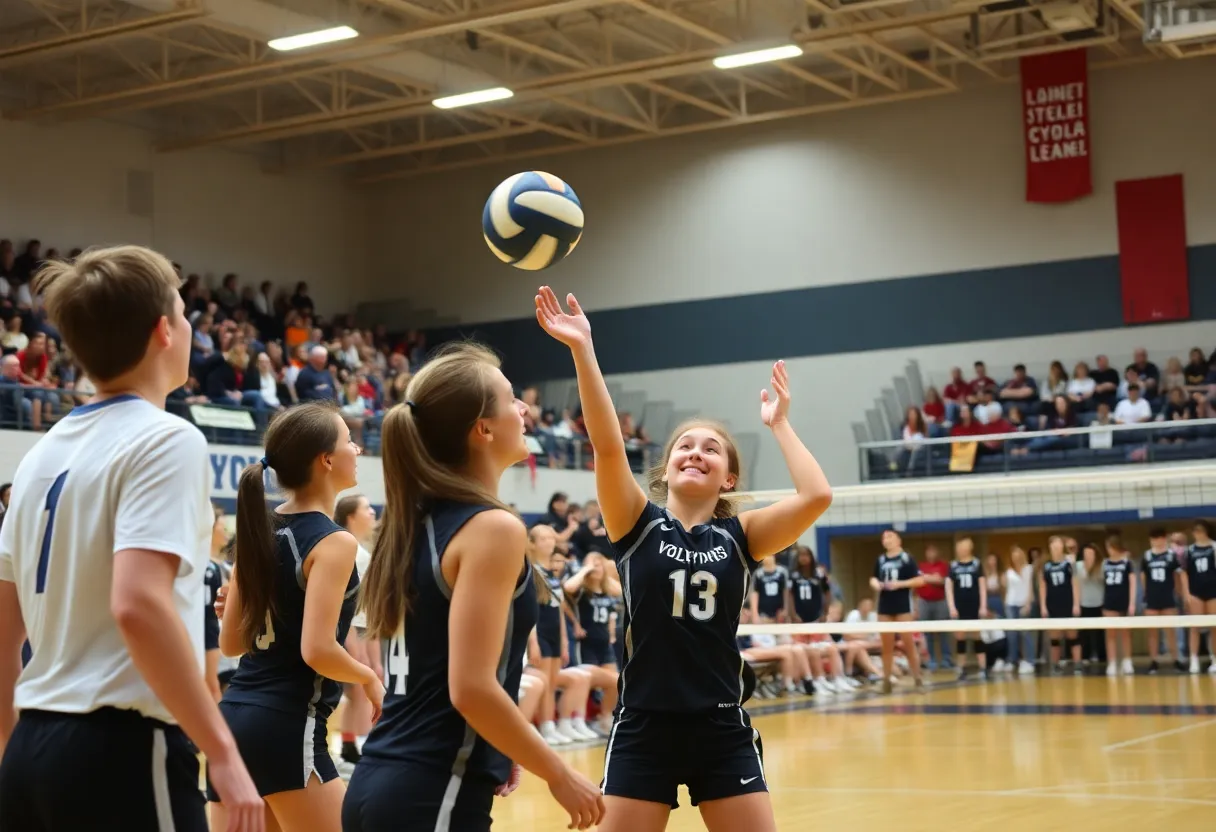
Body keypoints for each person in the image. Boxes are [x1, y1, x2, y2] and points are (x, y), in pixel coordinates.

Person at [535, 287, 832, 832]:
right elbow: (605, 445)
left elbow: (816, 496)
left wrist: (779, 424)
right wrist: (583, 349)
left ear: (729, 478)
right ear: (667, 467)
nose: (696, 452)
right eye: (685, 446)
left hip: (721, 726)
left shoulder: (741, 535)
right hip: (644, 726)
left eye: (711, 449)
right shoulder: (636, 522)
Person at [0, 246, 263, 832]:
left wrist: (16, 758)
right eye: (185, 313)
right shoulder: (166, 439)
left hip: (30, 750)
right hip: (120, 750)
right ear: (163, 331)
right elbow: (138, 604)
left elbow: (1, 639)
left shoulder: (38, 458)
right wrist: (221, 750)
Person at [342, 343, 603, 832]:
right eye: (510, 400)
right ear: (482, 429)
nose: (525, 409)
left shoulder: (417, 522)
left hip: (383, 782)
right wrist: (559, 773)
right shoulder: (492, 529)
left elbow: (443, 674)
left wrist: (496, 743)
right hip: (430, 791)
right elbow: (471, 689)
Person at [208, 403, 378, 832]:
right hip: (286, 724)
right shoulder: (334, 541)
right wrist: (370, 679)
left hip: (234, 718)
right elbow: (317, 649)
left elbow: (231, 644)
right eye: (348, 441)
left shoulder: (257, 528)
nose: (356, 449)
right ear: (326, 460)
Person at [334, 494, 381, 769]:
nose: (373, 512)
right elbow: (344, 602)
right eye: (367, 508)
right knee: (359, 689)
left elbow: (369, 606)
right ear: (351, 516)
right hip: (349, 629)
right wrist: (352, 644)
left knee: (360, 690)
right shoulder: (347, 548)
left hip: (365, 628)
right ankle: (354, 748)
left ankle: (350, 748)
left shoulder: (362, 550)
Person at [563, 551, 623, 734]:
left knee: (617, 683)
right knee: (585, 681)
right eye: (592, 564)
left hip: (605, 646)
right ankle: (577, 721)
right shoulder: (582, 589)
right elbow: (568, 587)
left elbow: (622, 590)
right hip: (586, 644)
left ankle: (604, 718)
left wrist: (603, 569)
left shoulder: (607, 589)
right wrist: (586, 569)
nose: (596, 567)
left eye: (599, 564)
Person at [870, 529, 925, 693]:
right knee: (887, 646)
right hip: (884, 606)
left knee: (909, 644)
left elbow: (920, 580)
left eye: (889, 536)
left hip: (902, 606)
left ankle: (918, 680)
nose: (886, 539)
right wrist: (875, 584)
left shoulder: (906, 558)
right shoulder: (880, 560)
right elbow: (873, 577)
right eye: (884, 537)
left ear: (898, 540)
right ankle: (886, 681)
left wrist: (899, 584)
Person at [1140, 528, 1181, 675]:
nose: (1156, 541)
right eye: (1153, 538)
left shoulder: (1171, 555)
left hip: (1167, 597)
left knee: (1170, 630)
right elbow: (1143, 576)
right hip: (1152, 597)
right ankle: (1154, 661)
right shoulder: (1146, 556)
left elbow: (1177, 576)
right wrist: (1145, 593)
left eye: (1159, 538)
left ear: (1164, 539)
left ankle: (1175, 659)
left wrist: (1177, 592)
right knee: (1152, 631)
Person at [946, 537, 987, 680]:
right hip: (959, 606)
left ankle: (983, 668)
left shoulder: (976, 563)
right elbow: (949, 588)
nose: (960, 550)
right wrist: (951, 606)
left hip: (974, 604)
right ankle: (961, 668)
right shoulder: (953, 565)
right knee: (960, 637)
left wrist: (983, 605)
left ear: (969, 548)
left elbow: (982, 586)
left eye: (962, 547)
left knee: (977, 636)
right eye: (958, 547)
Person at [1039, 536, 1081, 673]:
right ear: (1050, 548)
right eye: (1054, 546)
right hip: (1053, 604)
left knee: (1073, 635)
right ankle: (1055, 665)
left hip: (1067, 603)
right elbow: (1043, 587)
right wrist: (1043, 606)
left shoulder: (1069, 564)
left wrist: (1076, 604)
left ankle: (1077, 665)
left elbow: (1075, 584)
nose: (1056, 548)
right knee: (1055, 637)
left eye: (1058, 546)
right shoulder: (1047, 566)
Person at [1182, 520, 1216, 675]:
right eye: (1195, 530)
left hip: (1213, 591)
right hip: (1195, 591)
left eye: (1199, 530)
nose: (1196, 533)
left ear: (1206, 531)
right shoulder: (1189, 550)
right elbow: (1183, 572)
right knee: (1194, 627)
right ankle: (1193, 659)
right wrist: (1186, 593)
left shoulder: (1214, 546)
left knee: (1214, 627)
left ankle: (1214, 659)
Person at [205, 505, 231, 702]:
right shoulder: (204, 568)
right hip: (210, 638)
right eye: (222, 527)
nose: (226, 532)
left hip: (224, 639)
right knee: (211, 691)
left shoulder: (225, 568)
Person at [1102, 534, 1136, 677]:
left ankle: (1127, 661)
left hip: (1124, 600)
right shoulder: (1105, 563)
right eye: (1107, 548)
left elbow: (1133, 583)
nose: (1109, 550)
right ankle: (1112, 662)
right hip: (1109, 600)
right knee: (1110, 634)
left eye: (1111, 547)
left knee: (1126, 633)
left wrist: (1132, 603)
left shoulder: (1127, 563)